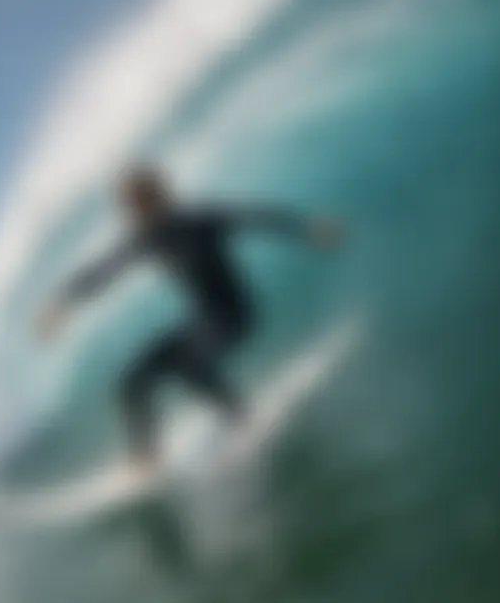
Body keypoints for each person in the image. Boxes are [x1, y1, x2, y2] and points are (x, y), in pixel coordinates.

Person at [38, 166, 342, 480]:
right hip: (202, 322)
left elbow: (255, 217)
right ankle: (146, 460)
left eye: (141, 202)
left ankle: (241, 418)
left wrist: (306, 227)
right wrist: (62, 303)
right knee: (132, 381)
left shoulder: (199, 221)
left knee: (189, 364)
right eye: (131, 206)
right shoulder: (146, 240)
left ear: (160, 197)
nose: (136, 212)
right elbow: (101, 272)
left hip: (234, 314)